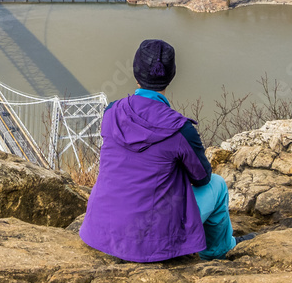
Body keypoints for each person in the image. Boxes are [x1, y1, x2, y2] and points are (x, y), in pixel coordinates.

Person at [79, 38, 251, 262]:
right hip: (150, 242)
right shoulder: (180, 129)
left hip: (98, 232)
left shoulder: (111, 113)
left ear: (135, 71)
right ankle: (218, 251)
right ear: (171, 75)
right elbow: (202, 178)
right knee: (217, 185)